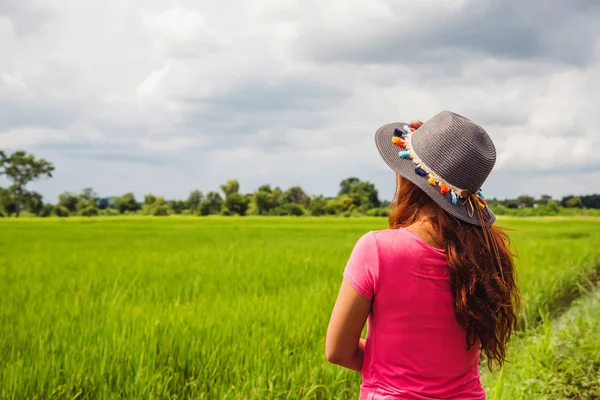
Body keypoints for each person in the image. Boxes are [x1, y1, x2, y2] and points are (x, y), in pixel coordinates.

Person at [326, 111, 520, 399]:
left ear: (407, 180)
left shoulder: (377, 249)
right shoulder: (489, 251)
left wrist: (392, 367)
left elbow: (338, 351)